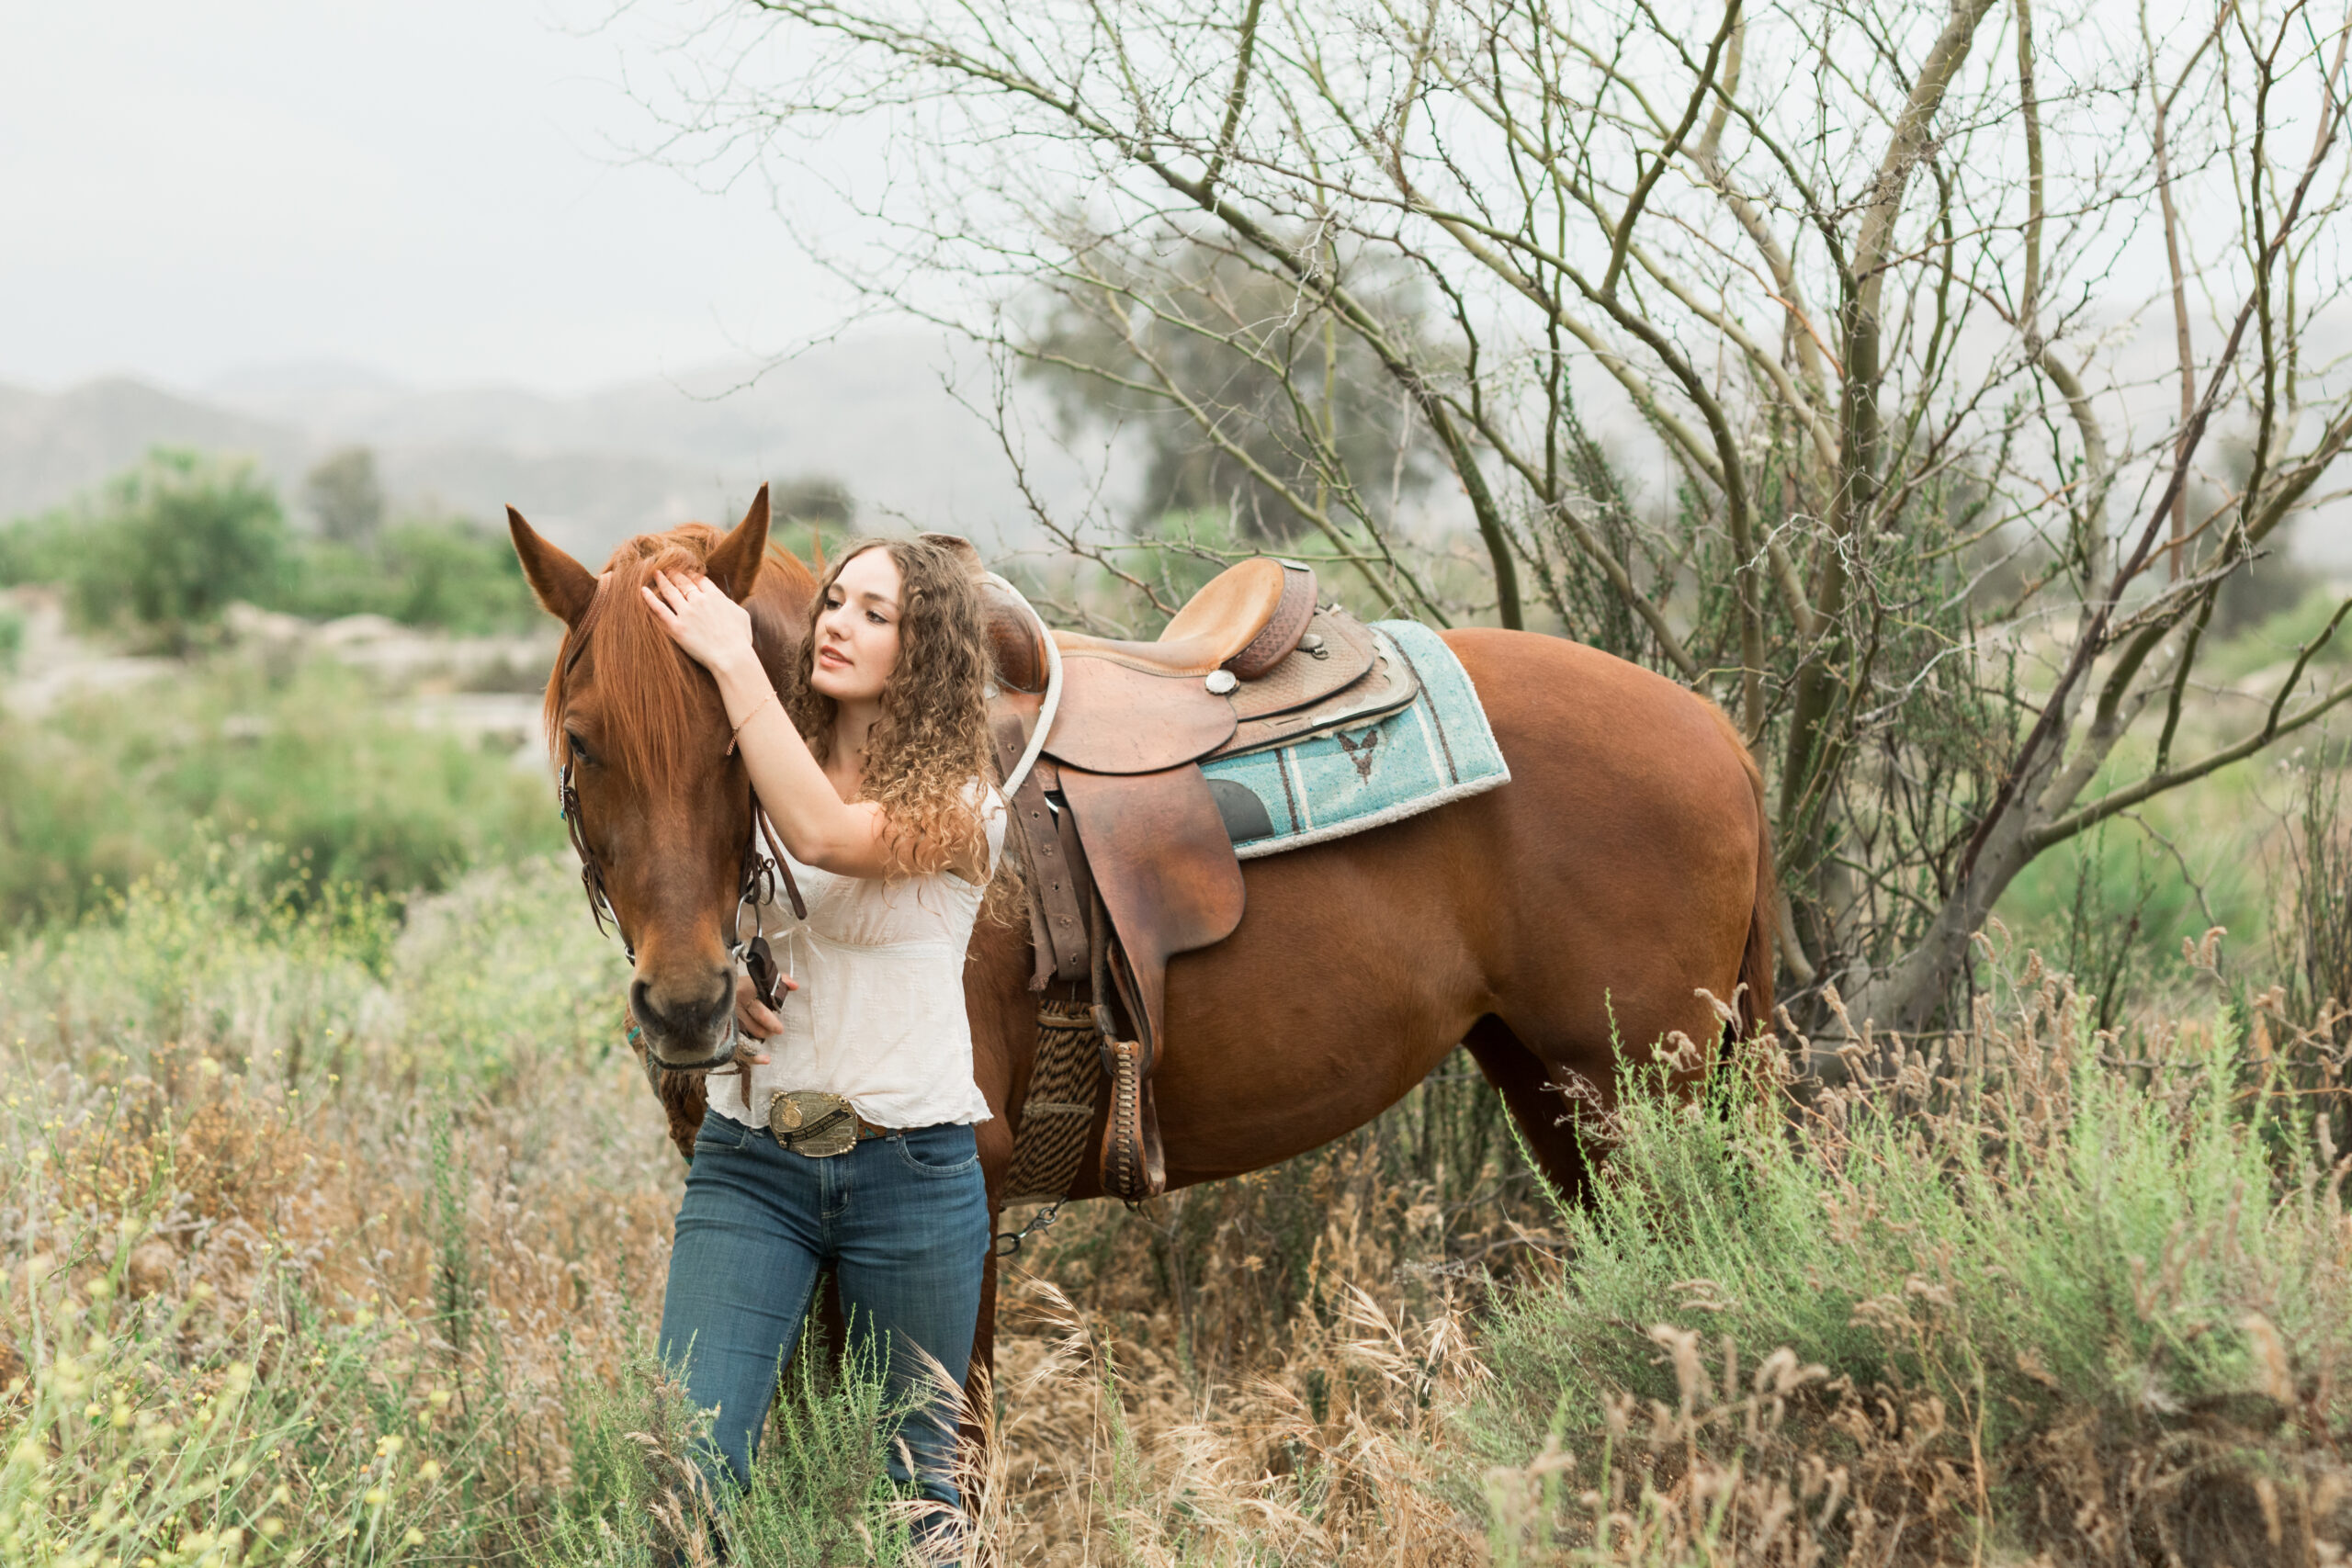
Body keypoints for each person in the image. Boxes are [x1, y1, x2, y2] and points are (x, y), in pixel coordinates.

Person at [639, 536, 1003, 1545]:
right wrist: (745, 973)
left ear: (926, 650)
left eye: (875, 613)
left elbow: (826, 840)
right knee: (684, 1467)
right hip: (751, 1164)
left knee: (915, 1496)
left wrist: (733, 660)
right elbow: (722, 904)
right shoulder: (752, 777)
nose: (837, 622)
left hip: (912, 1173)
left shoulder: (968, 804)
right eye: (834, 600)